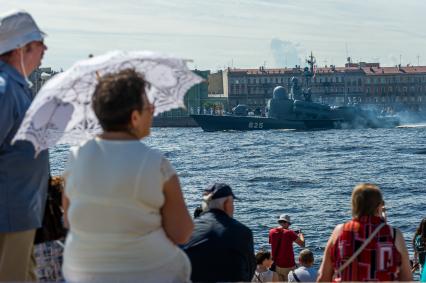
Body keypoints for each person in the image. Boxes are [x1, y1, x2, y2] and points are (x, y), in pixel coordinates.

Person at [62, 69, 193, 282]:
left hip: (82, 273)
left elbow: (68, 220)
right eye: (148, 107)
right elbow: (182, 232)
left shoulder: (74, 158)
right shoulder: (156, 164)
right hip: (148, 272)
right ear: (134, 117)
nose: (153, 111)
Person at [0, 10, 49, 281]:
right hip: (9, 214)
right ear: (21, 49)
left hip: (19, 213)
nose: (45, 51)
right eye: (39, 45)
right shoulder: (5, 90)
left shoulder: (16, 88)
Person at [317, 183, 412, 282]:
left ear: (354, 204)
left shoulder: (339, 232)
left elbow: (323, 277)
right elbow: (406, 278)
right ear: (379, 206)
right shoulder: (394, 235)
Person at [182, 183, 256, 282]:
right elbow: (250, 270)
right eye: (232, 203)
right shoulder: (242, 232)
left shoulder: (186, 230)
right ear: (226, 203)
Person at [269, 214, 305, 281]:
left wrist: (291, 233)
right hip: (289, 265)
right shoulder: (290, 233)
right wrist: (301, 235)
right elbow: (302, 244)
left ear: (279, 222)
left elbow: (278, 238)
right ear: (287, 223)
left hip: (277, 265)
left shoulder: (271, 232)